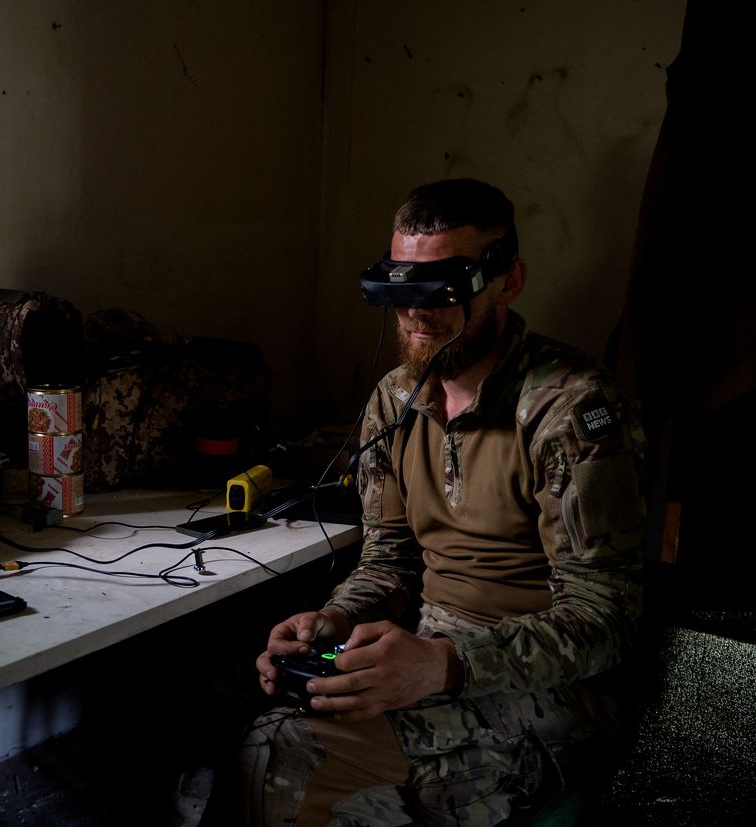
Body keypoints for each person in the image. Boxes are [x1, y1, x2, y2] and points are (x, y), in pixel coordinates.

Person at [242, 179, 645, 826]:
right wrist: (335, 622)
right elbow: (389, 561)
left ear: (508, 281)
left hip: (553, 689)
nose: (414, 315)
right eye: (400, 291)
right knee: (273, 746)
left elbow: (607, 620)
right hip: (425, 649)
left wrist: (448, 665)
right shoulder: (394, 400)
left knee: (315, 772)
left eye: (440, 291)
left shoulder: (568, 409)